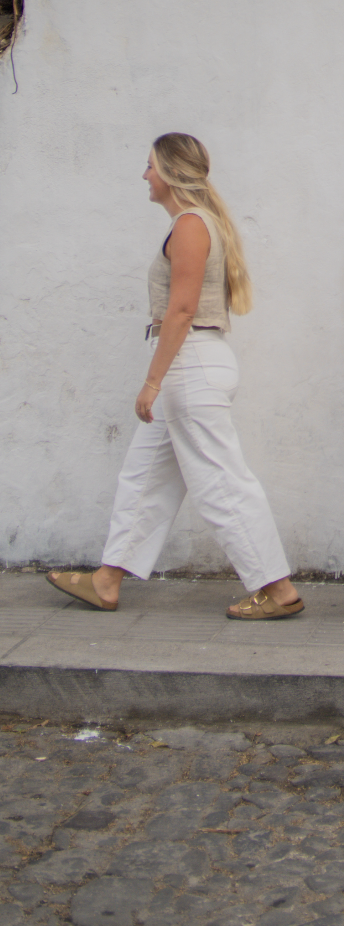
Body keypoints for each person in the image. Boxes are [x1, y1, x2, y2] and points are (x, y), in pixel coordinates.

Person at [46, 133, 303, 621]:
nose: (143, 175)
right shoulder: (200, 222)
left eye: (148, 167)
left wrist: (151, 382)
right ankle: (107, 579)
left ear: (168, 173)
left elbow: (181, 310)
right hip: (195, 365)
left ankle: (278, 588)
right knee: (143, 477)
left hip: (190, 367)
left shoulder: (189, 225)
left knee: (221, 482)